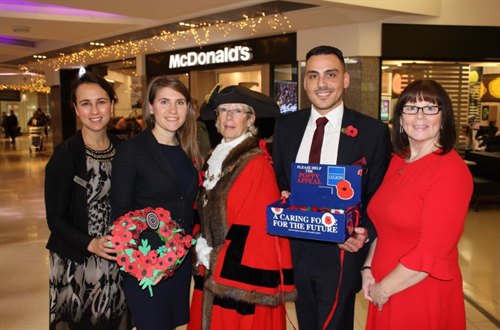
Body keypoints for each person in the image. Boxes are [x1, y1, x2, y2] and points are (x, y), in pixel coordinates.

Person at [272, 45, 392, 330]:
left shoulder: (372, 132)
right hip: (296, 248)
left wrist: (362, 232)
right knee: (306, 322)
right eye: (313, 76)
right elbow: (279, 178)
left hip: (341, 251)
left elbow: (378, 195)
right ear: (305, 82)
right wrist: (284, 198)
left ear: (345, 80)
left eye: (330, 74)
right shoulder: (287, 126)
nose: (321, 84)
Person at [362, 79, 473, 329]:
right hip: (385, 283)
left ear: (444, 118)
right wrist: (368, 268)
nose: (420, 115)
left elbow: (430, 253)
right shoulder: (398, 161)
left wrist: (383, 289)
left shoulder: (450, 171)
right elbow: (383, 226)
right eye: (411, 108)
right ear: (400, 119)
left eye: (430, 108)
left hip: (418, 291)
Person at [189, 85, 296, 330]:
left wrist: (213, 256)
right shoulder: (213, 156)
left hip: (235, 278)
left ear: (250, 119)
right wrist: (198, 240)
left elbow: (256, 228)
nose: (228, 117)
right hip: (209, 271)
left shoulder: (257, 163)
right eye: (223, 110)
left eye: (237, 111)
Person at [111, 76, 202, 330]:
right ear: (150, 107)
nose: (173, 110)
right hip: (146, 265)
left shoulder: (189, 149)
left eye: (180, 102)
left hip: (179, 262)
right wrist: (146, 264)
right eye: (164, 101)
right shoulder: (132, 151)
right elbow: (119, 215)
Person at [44, 72, 128, 329]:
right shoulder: (66, 155)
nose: (94, 110)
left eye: (101, 102)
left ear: (112, 104)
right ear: (75, 109)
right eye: (85, 103)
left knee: (114, 320)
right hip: (78, 260)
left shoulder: (124, 149)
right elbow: (55, 219)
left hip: (116, 256)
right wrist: (91, 243)